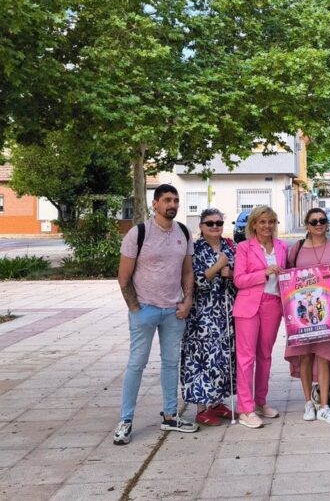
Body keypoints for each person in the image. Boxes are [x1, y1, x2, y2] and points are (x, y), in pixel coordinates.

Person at [114, 184, 197, 445]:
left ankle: (170, 416)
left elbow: (187, 271)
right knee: (136, 364)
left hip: (174, 311)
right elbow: (124, 277)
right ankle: (126, 420)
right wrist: (134, 308)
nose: (172, 205)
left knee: (171, 363)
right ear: (155, 204)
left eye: (176, 200)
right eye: (167, 200)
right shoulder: (138, 233)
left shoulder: (183, 232)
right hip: (145, 309)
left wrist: (187, 300)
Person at [285, 208, 330, 425]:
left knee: (324, 357)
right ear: (307, 225)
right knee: (305, 357)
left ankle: (325, 406)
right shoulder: (297, 248)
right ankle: (308, 402)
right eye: (314, 221)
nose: (318, 224)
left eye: (322, 220)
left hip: (326, 312)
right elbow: (287, 276)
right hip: (301, 314)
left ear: (327, 223)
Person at [232, 205, 288, 429]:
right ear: (253, 224)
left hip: (273, 304)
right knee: (246, 358)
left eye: (271, 221)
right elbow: (239, 280)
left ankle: (260, 401)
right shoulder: (244, 247)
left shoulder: (282, 247)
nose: (267, 226)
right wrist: (263, 273)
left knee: (265, 356)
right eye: (262, 222)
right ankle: (245, 409)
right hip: (249, 306)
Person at [181, 208, 238, 427]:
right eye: (210, 223)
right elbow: (194, 281)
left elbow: (238, 276)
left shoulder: (230, 246)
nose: (215, 227)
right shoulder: (195, 250)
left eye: (218, 223)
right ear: (201, 226)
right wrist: (218, 266)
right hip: (202, 316)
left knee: (222, 359)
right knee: (202, 359)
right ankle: (201, 408)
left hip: (225, 312)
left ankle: (216, 402)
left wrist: (230, 273)